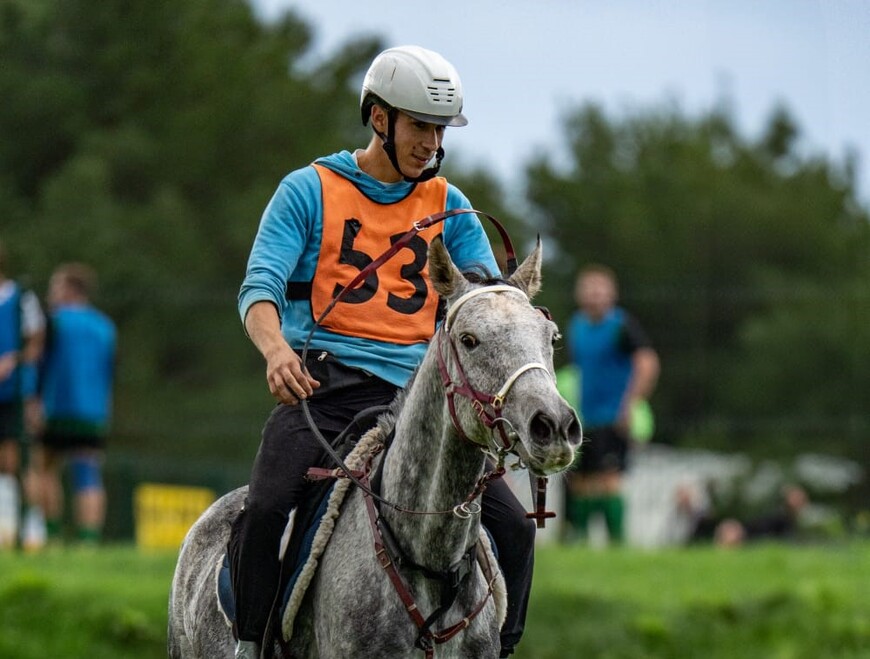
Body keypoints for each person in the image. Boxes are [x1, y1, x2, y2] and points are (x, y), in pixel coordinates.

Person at [228, 45, 536, 659]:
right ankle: (248, 646)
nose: (431, 142)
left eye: (440, 129)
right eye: (420, 125)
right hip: (327, 389)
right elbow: (258, 289)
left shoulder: (451, 205)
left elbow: (480, 299)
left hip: (423, 400)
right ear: (378, 119)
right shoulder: (308, 189)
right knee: (264, 509)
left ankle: (502, 648)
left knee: (516, 529)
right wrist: (274, 351)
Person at [564, 265, 659, 545]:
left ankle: (617, 543)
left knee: (610, 480)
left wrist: (631, 404)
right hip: (584, 415)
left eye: (600, 289)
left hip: (614, 415)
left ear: (612, 294)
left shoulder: (622, 325)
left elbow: (648, 362)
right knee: (581, 483)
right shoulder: (576, 326)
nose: (594, 295)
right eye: (589, 289)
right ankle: (580, 543)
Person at [34, 263, 116, 545]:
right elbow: (109, 372)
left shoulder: (53, 321)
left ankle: (52, 534)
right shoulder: (105, 326)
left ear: (69, 289)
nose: (50, 293)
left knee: (44, 468)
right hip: (93, 412)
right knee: (88, 473)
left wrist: (35, 402)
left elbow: (39, 365)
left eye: (55, 286)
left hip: (56, 408)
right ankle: (88, 540)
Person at [0, 239, 45, 549]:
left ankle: (30, 528)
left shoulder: (21, 298)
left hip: (14, 392)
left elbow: (35, 342)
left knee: (15, 460)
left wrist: (12, 360)